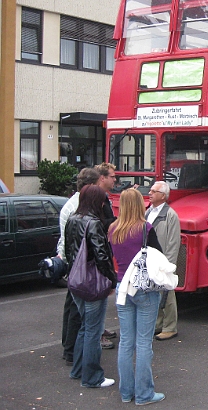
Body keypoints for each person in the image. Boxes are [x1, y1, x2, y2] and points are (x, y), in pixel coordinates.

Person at [109, 188, 166, 405]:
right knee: (144, 343)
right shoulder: (145, 228)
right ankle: (144, 394)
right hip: (143, 288)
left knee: (126, 342)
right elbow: (158, 255)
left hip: (122, 286)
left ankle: (126, 392)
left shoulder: (113, 229)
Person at [64, 185, 117, 388]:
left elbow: (70, 251)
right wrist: (111, 280)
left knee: (84, 328)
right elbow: (102, 256)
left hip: (76, 281)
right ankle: (92, 377)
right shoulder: (94, 223)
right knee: (93, 331)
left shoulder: (72, 219)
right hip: (92, 283)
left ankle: (78, 370)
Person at [57, 166, 100, 366]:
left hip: (73, 262)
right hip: (79, 265)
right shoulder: (78, 208)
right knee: (77, 311)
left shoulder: (73, 205)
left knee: (72, 308)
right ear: (90, 186)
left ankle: (70, 347)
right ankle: (72, 351)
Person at [146, 181, 181, 341]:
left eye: (154, 191)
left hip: (163, 260)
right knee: (154, 293)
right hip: (150, 259)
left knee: (167, 294)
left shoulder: (171, 215)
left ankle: (170, 327)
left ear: (163, 196)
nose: (150, 193)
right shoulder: (148, 211)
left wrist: (169, 265)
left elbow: (174, 242)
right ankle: (158, 324)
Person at [95, 162, 118, 349]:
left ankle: (101, 328)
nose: (115, 179)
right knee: (98, 294)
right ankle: (98, 334)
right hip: (99, 251)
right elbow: (103, 223)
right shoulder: (98, 199)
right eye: (112, 176)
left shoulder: (105, 197)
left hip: (104, 247)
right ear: (102, 178)